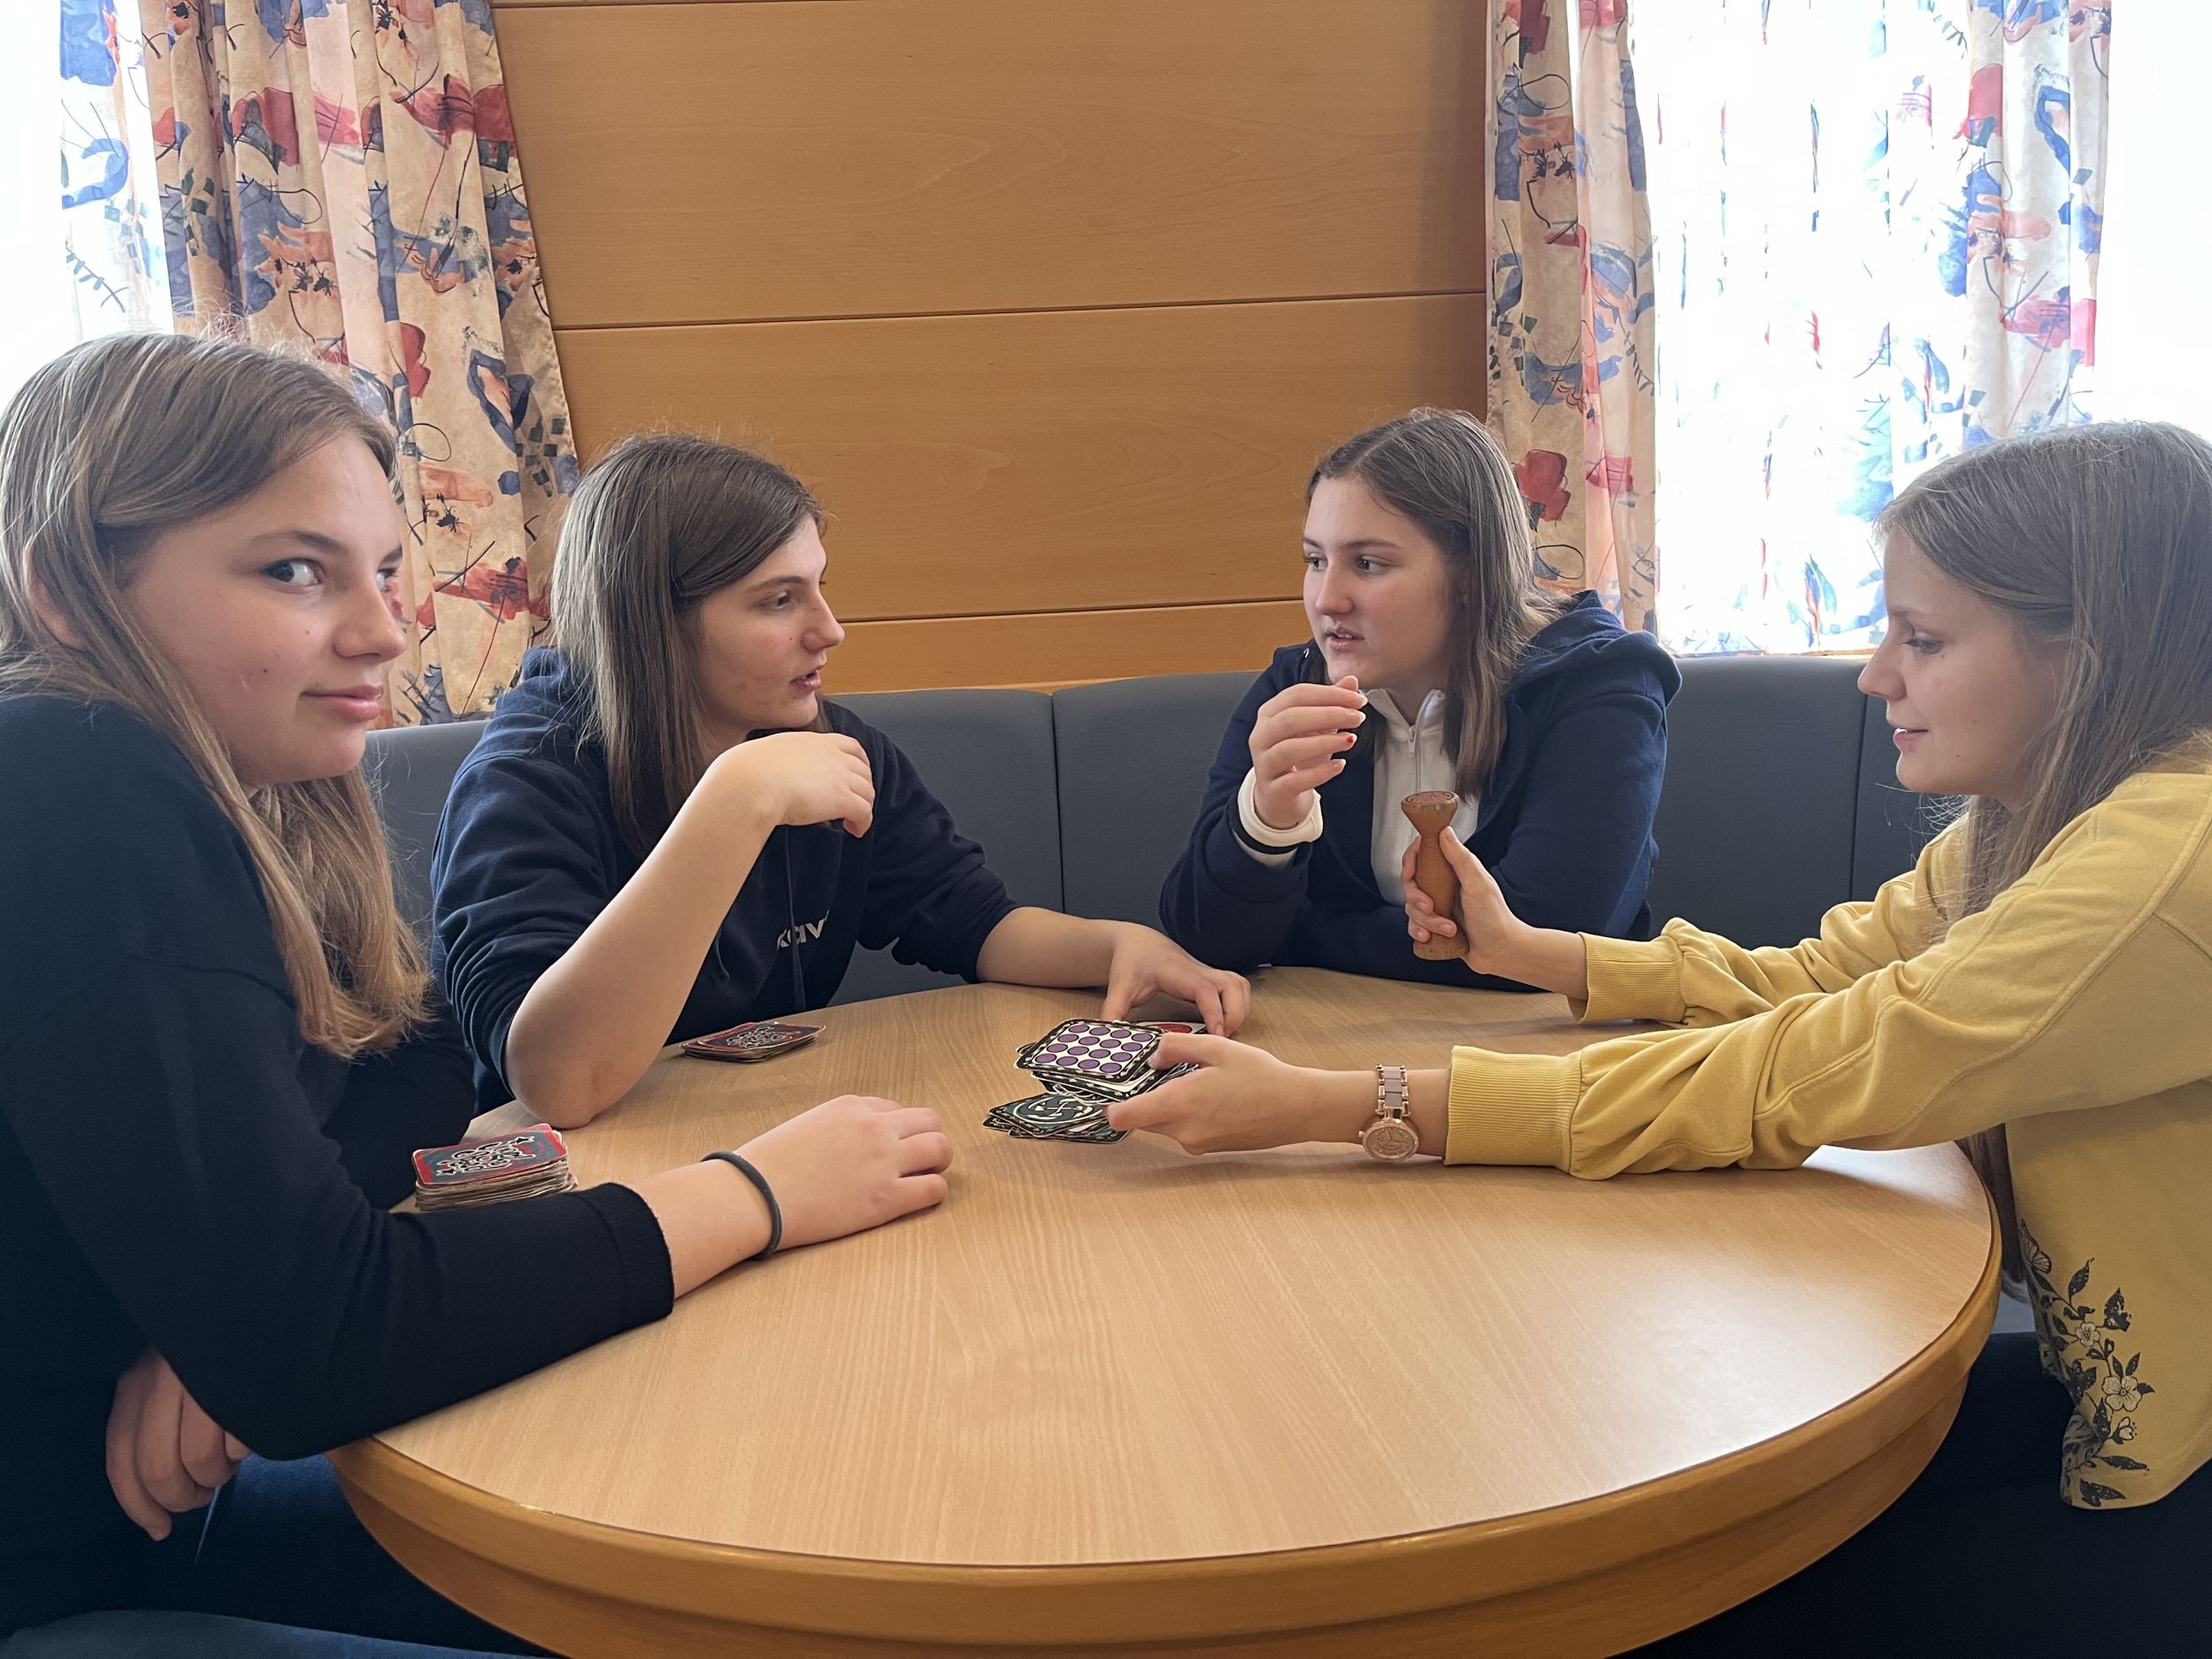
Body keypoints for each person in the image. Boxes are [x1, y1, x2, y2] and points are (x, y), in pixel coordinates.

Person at [1110, 422, 2212, 1650]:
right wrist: (1536, 953)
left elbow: (1799, 1070)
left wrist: (1342, 1103)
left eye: (1923, 638)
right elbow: (1813, 978)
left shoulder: (2165, 859)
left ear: (2087, 656)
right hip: (2100, 1392)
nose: (1873, 677)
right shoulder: (2037, 821)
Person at [0, 335, 954, 1655]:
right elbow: (322, 1340)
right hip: (56, 1570)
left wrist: (221, 1306)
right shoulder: (74, 772)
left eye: (384, 570)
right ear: (65, 589)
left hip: (140, 1509)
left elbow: (419, 1054)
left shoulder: (243, 794)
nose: (384, 630)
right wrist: (756, 1191)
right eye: (293, 570)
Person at [432, 434, 1249, 1129]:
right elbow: (559, 1082)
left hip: (757, 1135)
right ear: (653, 624)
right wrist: (736, 803)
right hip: (589, 1188)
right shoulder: (524, 782)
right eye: (779, 601)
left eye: (820, 586)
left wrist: (1118, 945)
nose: (830, 630)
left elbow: (972, 921)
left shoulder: (828, 740)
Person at [1158, 408, 1679, 986]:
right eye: (1316, 560)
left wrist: (1303, 935)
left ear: (1470, 573)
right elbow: (1204, 940)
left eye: (1368, 563)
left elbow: (1541, 944)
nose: (1326, 599)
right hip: (1339, 1032)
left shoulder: (1599, 683)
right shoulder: (1297, 685)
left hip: (1549, 1039)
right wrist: (1265, 825)